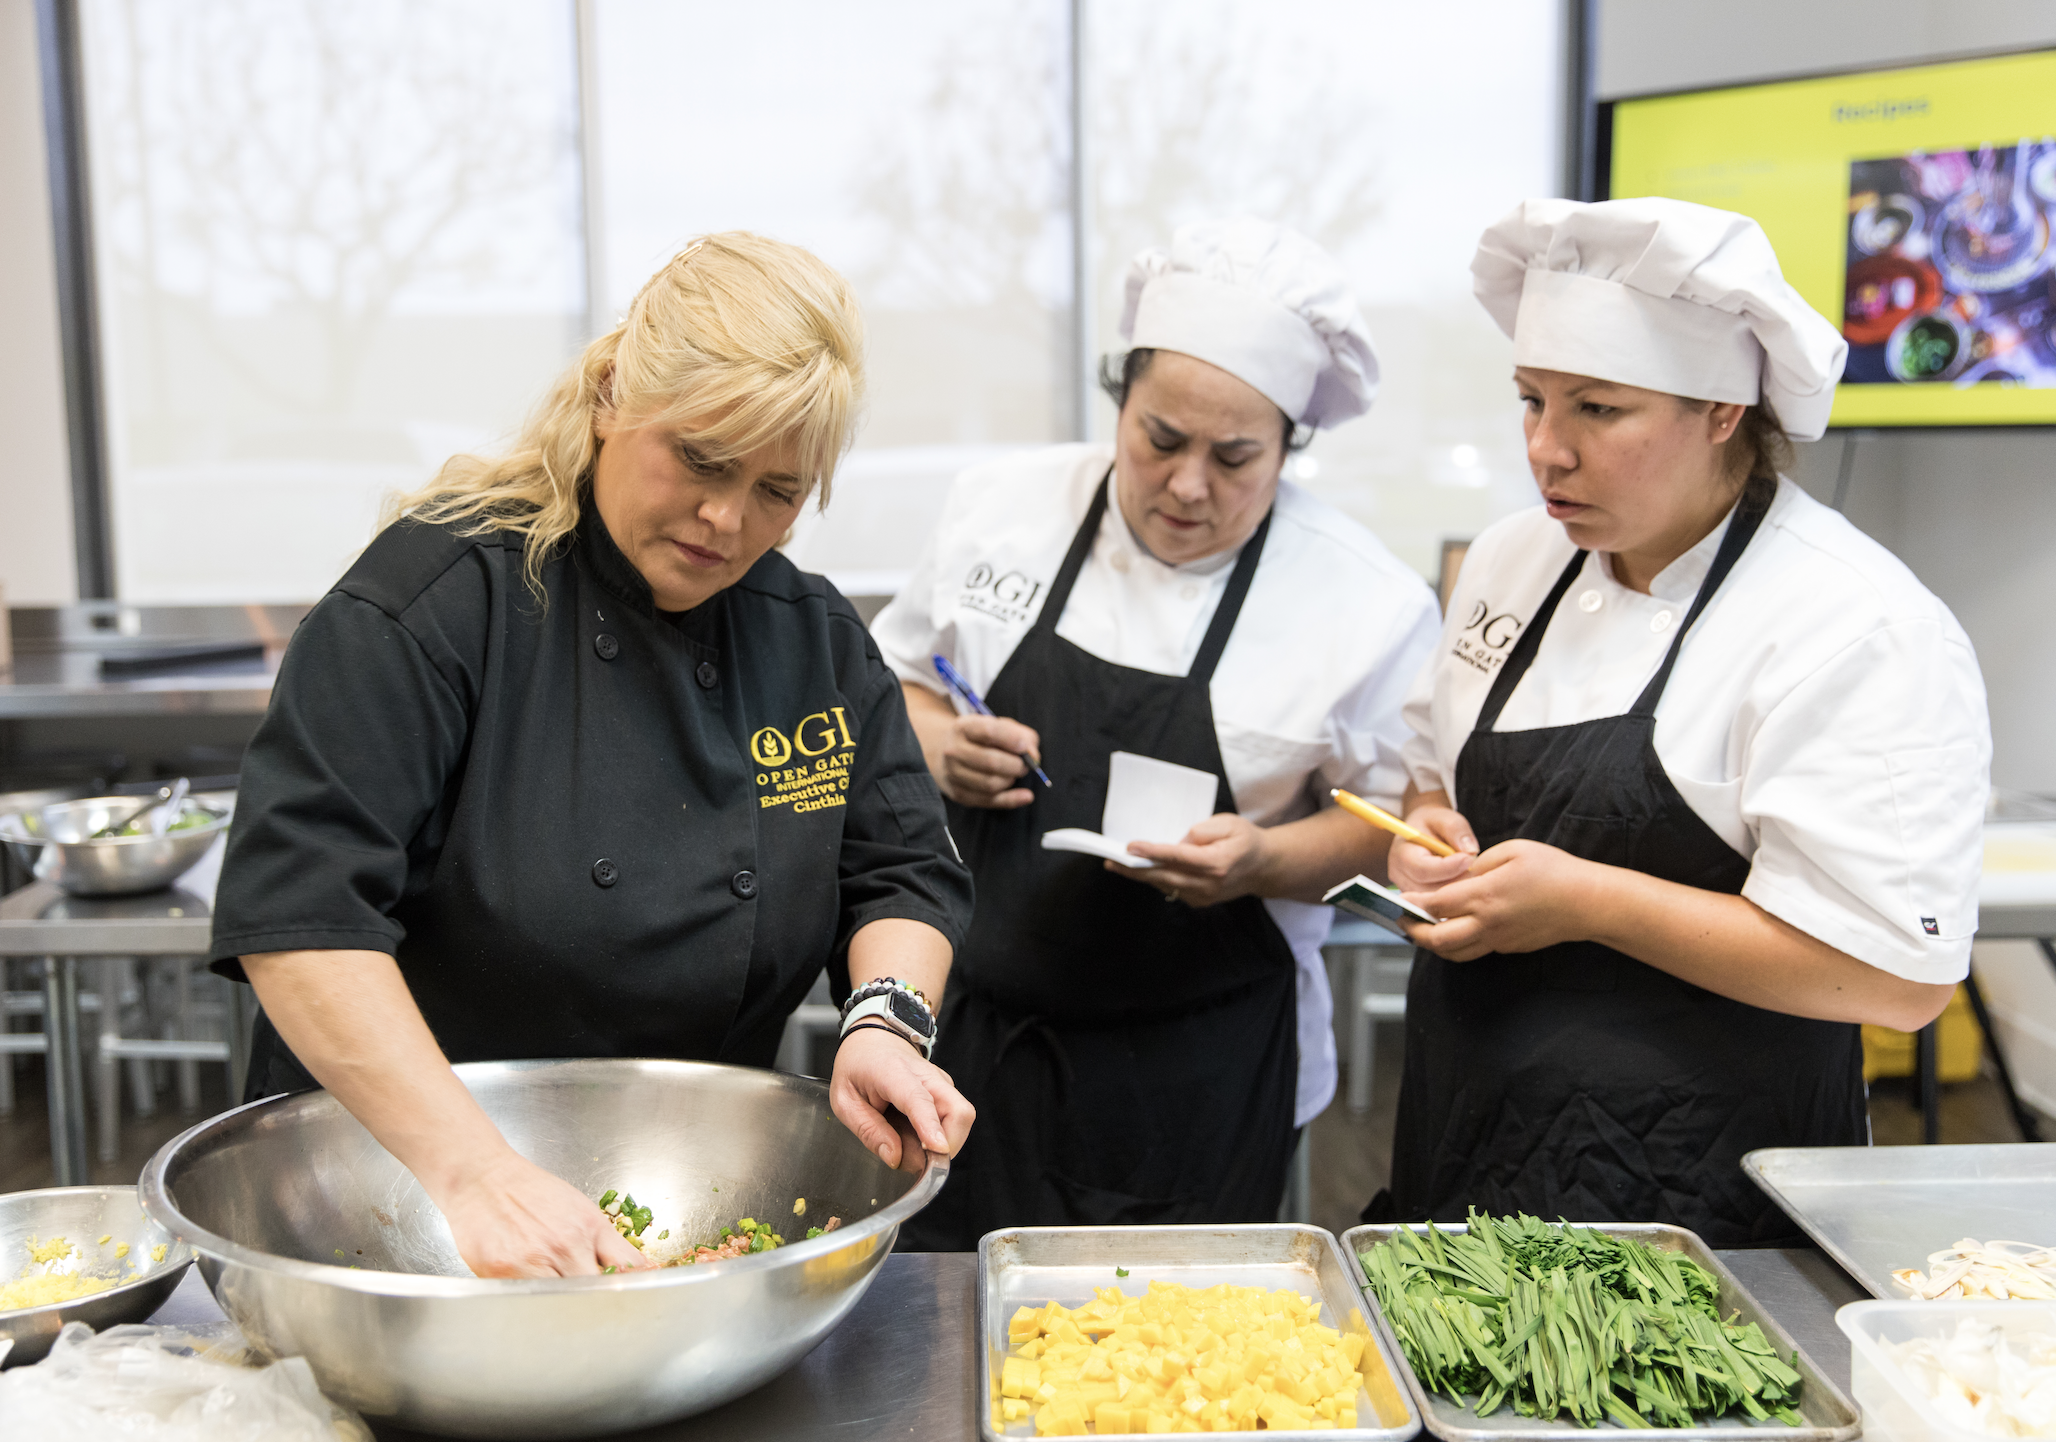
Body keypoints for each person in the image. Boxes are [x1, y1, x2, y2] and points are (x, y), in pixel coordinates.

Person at [207, 234, 977, 1278]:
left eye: (777, 491)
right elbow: (302, 922)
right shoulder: (432, 605)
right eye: (702, 459)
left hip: (676, 1213)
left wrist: (886, 1019)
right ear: (613, 391)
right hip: (399, 1207)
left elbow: (899, 865)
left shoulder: (808, 637)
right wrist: (476, 1174)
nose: (727, 518)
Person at [1377, 197, 1991, 1246]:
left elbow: (1896, 979)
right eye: (1530, 400)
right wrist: (1425, 833)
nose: (1545, 451)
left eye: (1596, 409)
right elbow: (1430, 777)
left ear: (1720, 411)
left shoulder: (1853, 621)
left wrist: (1585, 900)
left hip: (1705, 1192)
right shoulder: (1510, 559)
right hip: (1467, 1144)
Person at [871, 219, 1442, 1247]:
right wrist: (936, 744)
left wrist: (1265, 858)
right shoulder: (998, 509)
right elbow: (896, 691)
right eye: (1159, 439)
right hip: (976, 1039)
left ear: (1288, 444)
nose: (1187, 485)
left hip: (1205, 1070)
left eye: (1234, 458)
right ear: (1119, 400)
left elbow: (1397, 827)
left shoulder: (1364, 601)